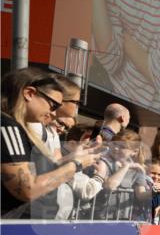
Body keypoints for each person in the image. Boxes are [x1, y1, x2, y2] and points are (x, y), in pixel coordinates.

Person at [2, 71, 102, 219]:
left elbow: (40, 173)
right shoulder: (7, 126)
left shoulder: (16, 127)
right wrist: (76, 164)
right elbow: (28, 189)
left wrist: (73, 158)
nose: (53, 113)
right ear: (29, 93)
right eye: (53, 105)